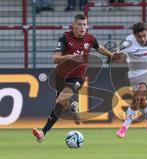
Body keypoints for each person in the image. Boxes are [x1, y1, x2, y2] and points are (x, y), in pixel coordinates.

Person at [32, 14, 125, 143]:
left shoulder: (90, 38)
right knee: (62, 106)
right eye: (80, 25)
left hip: (77, 77)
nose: (83, 27)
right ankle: (73, 108)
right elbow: (55, 58)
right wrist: (70, 57)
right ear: (74, 25)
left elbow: (99, 48)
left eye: (85, 25)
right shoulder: (65, 37)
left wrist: (112, 55)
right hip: (61, 76)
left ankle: (43, 132)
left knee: (60, 100)